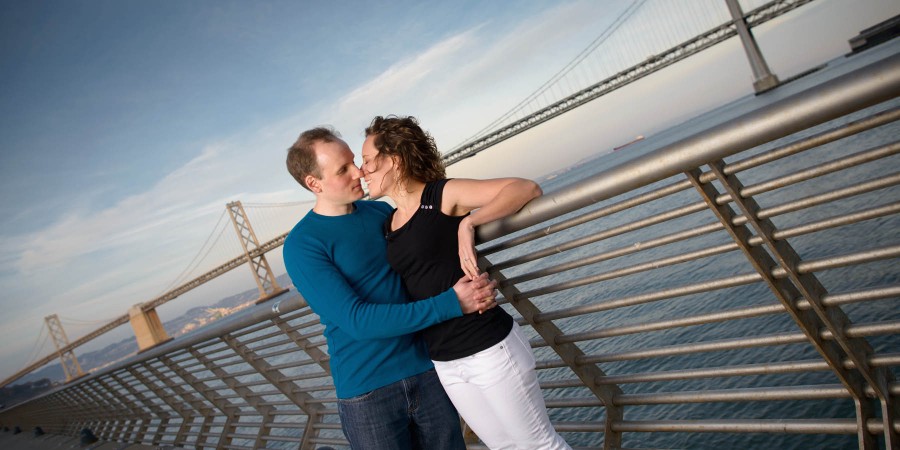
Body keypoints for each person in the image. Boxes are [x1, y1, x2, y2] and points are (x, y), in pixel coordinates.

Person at [361, 115, 572, 449]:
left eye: (368, 161)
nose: (363, 170)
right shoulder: (388, 224)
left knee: (540, 445)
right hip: (446, 361)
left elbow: (525, 188)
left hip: (488, 346)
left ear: (394, 160)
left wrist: (468, 223)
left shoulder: (441, 194)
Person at [283, 126, 499, 450]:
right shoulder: (302, 245)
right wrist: (452, 302)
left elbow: (427, 252)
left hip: (429, 369)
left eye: (354, 161)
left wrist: (466, 227)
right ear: (313, 183)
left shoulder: (382, 212)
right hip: (368, 392)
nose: (359, 171)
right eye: (343, 170)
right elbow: (356, 319)